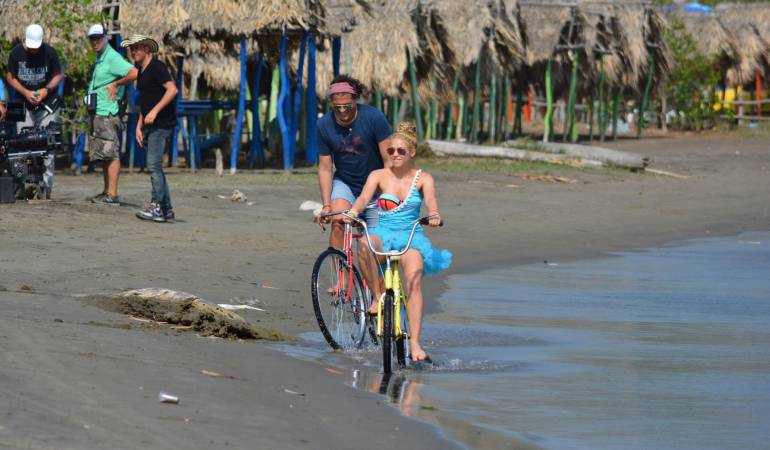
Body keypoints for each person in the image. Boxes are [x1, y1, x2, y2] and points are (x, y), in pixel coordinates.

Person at [347, 122, 452, 362]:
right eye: (391, 150)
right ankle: (377, 297)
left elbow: (432, 203)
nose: (394, 154)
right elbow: (364, 197)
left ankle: (415, 344)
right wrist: (353, 212)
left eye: (400, 151)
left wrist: (434, 215)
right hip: (383, 232)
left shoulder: (423, 178)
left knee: (413, 283)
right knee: (363, 244)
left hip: (411, 236)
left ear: (412, 153)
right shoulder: (378, 176)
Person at [316, 75, 392, 300]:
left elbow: (389, 161)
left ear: (355, 100)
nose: (342, 111)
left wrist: (388, 194)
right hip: (346, 183)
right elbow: (325, 168)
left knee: (372, 246)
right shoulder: (323, 125)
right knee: (337, 220)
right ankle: (343, 279)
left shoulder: (373, 118)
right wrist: (326, 205)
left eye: (347, 106)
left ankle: (378, 287)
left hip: (376, 185)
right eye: (337, 107)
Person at [121, 34, 178, 223]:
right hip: (149, 125)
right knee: (156, 167)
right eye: (131, 49)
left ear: (147, 49)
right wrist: (139, 126)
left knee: (153, 165)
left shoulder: (157, 67)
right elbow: (145, 102)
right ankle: (167, 209)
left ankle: (157, 207)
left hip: (162, 124)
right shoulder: (141, 71)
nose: (133, 52)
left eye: (137, 48)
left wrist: (155, 111)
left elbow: (172, 89)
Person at [5, 24, 64, 198]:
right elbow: (10, 77)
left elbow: (58, 75)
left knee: (48, 144)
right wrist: (26, 92)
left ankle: (46, 188)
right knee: (20, 144)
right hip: (23, 103)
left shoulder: (50, 52)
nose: (32, 51)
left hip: (47, 104)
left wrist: (45, 90)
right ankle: (21, 186)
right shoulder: (15, 53)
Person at [86, 24, 138, 205]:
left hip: (108, 113)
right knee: (104, 154)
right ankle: (107, 191)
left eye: (98, 38)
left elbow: (133, 73)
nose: (95, 41)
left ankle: (113, 195)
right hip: (97, 112)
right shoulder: (101, 58)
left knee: (112, 153)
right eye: (92, 38)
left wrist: (116, 85)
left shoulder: (112, 57)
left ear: (106, 37)